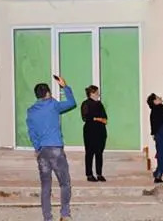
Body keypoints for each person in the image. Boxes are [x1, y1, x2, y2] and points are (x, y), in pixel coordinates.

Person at [27, 75, 76, 221]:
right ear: (48, 93)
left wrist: (37, 148)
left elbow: (32, 132)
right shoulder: (53, 104)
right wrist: (64, 86)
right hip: (55, 149)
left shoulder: (31, 111)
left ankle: (47, 218)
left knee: (46, 186)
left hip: (42, 151)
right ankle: (65, 214)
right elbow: (72, 103)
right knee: (65, 183)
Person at [81, 85, 108, 182]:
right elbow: (85, 117)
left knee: (99, 153)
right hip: (90, 131)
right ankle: (89, 174)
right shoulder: (86, 103)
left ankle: (99, 174)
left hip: (100, 131)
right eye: (96, 93)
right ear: (91, 93)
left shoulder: (99, 104)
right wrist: (97, 118)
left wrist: (98, 119)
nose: (98, 94)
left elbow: (105, 118)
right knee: (89, 153)